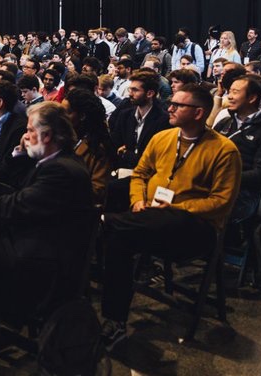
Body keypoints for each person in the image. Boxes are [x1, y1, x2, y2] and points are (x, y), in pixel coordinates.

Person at [100, 84, 241, 349]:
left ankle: (102, 224)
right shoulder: (163, 137)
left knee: (148, 223)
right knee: (119, 238)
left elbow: (221, 202)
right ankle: (114, 320)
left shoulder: (224, 150)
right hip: (150, 219)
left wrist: (178, 208)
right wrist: (138, 200)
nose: (170, 108)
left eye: (178, 105)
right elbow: (140, 173)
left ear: (198, 113)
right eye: (171, 103)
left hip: (195, 230)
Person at [0, 102, 95, 316]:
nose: (26, 135)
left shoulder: (60, 171)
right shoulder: (56, 161)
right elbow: (15, 185)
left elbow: (19, 203)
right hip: (37, 237)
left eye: (31, 130)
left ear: (47, 135)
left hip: (44, 257)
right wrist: (20, 153)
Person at [212, 75, 261, 220]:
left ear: (252, 98)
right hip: (213, 182)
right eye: (229, 92)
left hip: (242, 191)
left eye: (235, 92)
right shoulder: (225, 122)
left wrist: (224, 178)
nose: (230, 97)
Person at [106, 70, 171, 212]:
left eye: (135, 90)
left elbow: (152, 160)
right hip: (122, 170)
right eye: (130, 89)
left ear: (150, 93)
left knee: (113, 189)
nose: (130, 93)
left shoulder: (163, 120)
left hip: (147, 176)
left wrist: (126, 153)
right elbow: (114, 146)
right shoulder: (125, 115)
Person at [64, 88, 115, 205]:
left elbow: (97, 191)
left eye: (67, 112)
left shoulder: (98, 147)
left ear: (82, 116)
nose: (62, 117)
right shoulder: (66, 137)